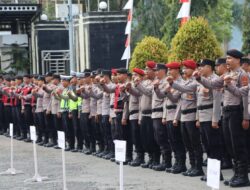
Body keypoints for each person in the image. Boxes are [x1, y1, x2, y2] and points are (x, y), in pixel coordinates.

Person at [194, 49, 250, 187]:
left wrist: (245, 117)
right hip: (226, 112)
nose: (227, 61)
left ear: (238, 60)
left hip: (237, 112)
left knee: (238, 145)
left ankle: (243, 176)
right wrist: (199, 79)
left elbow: (243, 96)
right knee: (230, 145)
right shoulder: (227, 74)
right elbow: (212, 85)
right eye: (227, 58)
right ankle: (236, 174)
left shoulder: (243, 75)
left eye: (230, 58)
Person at [167, 60, 204, 177]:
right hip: (183, 117)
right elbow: (175, 99)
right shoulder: (185, 83)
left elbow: (187, 92)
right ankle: (192, 166)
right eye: (184, 68)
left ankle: (198, 167)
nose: (184, 70)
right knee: (188, 144)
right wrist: (167, 92)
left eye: (187, 68)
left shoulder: (195, 83)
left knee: (195, 144)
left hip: (192, 116)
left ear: (193, 69)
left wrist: (173, 84)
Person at [155, 62, 187, 174]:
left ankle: (181, 163)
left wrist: (176, 117)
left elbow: (177, 101)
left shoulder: (180, 83)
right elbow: (163, 98)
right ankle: (176, 162)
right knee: (172, 140)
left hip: (175, 114)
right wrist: (157, 88)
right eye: (168, 70)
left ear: (177, 70)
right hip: (168, 113)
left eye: (171, 70)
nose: (169, 72)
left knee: (177, 140)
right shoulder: (170, 83)